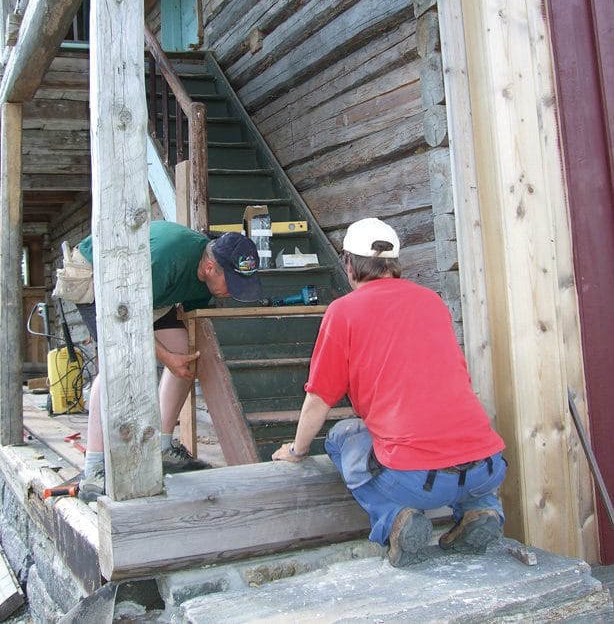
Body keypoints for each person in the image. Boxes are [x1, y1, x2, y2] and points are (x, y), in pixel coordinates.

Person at [272, 217, 506, 567]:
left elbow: (320, 398)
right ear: (394, 263)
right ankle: (481, 509)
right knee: (461, 461)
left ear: (349, 264)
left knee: (341, 435)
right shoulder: (431, 301)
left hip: (417, 481)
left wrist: (296, 450)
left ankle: (395, 518)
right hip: (487, 465)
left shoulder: (344, 311)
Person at [71, 220, 262, 502]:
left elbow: (195, 329)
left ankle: (160, 446)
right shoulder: (167, 260)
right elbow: (125, 319)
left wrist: (180, 359)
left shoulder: (203, 279)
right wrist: (166, 357)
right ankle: (95, 468)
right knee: (120, 362)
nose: (233, 292)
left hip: (144, 293)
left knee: (186, 351)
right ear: (210, 268)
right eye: (232, 283)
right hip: (100, 276)